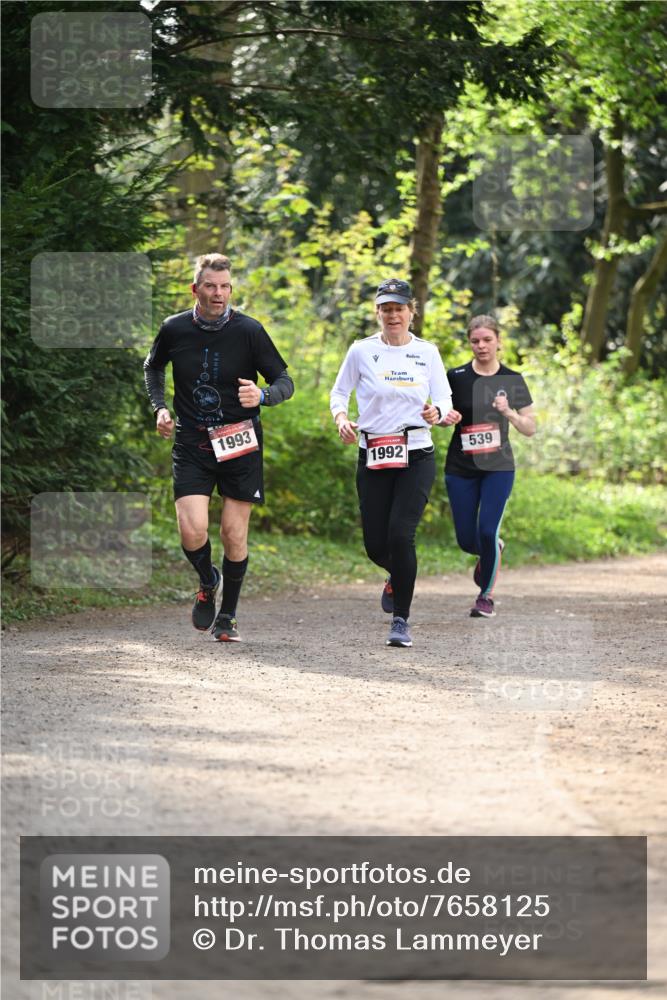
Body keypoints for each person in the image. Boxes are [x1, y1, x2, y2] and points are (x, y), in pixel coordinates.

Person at [143, 252, 294, 641]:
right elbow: (153, 366)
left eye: (225, 286)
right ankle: (208, 579)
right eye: (210, 286)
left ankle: (227, 617)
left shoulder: (249, 330)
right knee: (192, 531)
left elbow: (284, 381)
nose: (218, 293)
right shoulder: (174, 328)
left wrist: (262, 396)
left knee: (232, 533)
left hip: (240, 440)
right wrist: (160, 407)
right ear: (196, 289)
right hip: (192, 440)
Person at [330, 278, 456, 648]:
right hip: (373, 451)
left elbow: (444, 398)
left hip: (416, 451)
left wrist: (438, 411)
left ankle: (401, 620)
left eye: (399, 308)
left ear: (411, 313)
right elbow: (339, 392)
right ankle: (396, 574)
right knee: (375, 544)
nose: (393, 315)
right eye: (386, 308)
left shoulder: (427, 352)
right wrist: (341, 418)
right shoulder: (361, 351)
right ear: (377, 313)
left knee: (402, 534)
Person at [444, 314, 535, 618]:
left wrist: (509, 412)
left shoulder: (512, 379)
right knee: (467, 539)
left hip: (498, 467)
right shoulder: (455, 376)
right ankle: (493, 548)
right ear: (469, 342)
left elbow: (530, 427)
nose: (481, 346)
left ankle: (486, 596)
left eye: (487, 340)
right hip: (460, 466)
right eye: (475, 341)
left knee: (487, 528)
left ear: (498, 341)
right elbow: (438, 413)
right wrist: (446, 417)